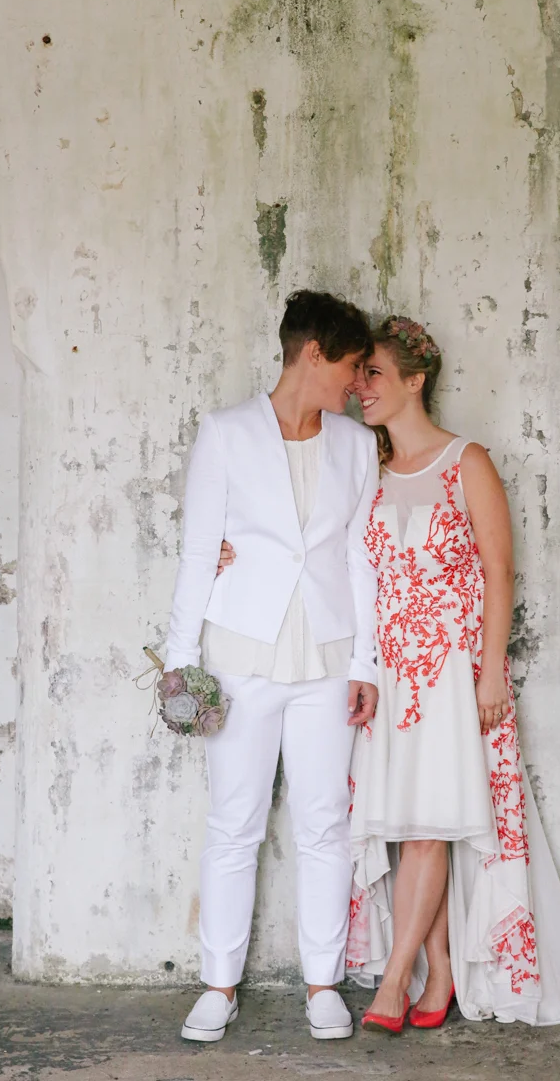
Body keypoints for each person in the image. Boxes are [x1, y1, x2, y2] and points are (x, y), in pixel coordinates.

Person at [345, 316, 560, 1028]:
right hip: (392, 675)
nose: (360, 387)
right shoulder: (367, 474)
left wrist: (491, 670)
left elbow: (501, 572)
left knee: (434, 830)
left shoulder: (466, 461)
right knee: (412, 830)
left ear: (414, 379)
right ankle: (439, 977)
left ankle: (392, 983)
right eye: (359, 375)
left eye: (373, 373)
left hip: (451, 673)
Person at [164, 290, 379, 1044]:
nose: (358, 382)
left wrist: (367, 664)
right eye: (352, 366)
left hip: (326, 660)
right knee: (234, 824)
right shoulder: (224, 434)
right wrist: (179, 660)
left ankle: (323, 983)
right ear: (312, 355)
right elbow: (199, 551)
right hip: (238, 659)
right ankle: (218, 984)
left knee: (325, 823)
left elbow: (360, 560)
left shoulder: (354, 447)